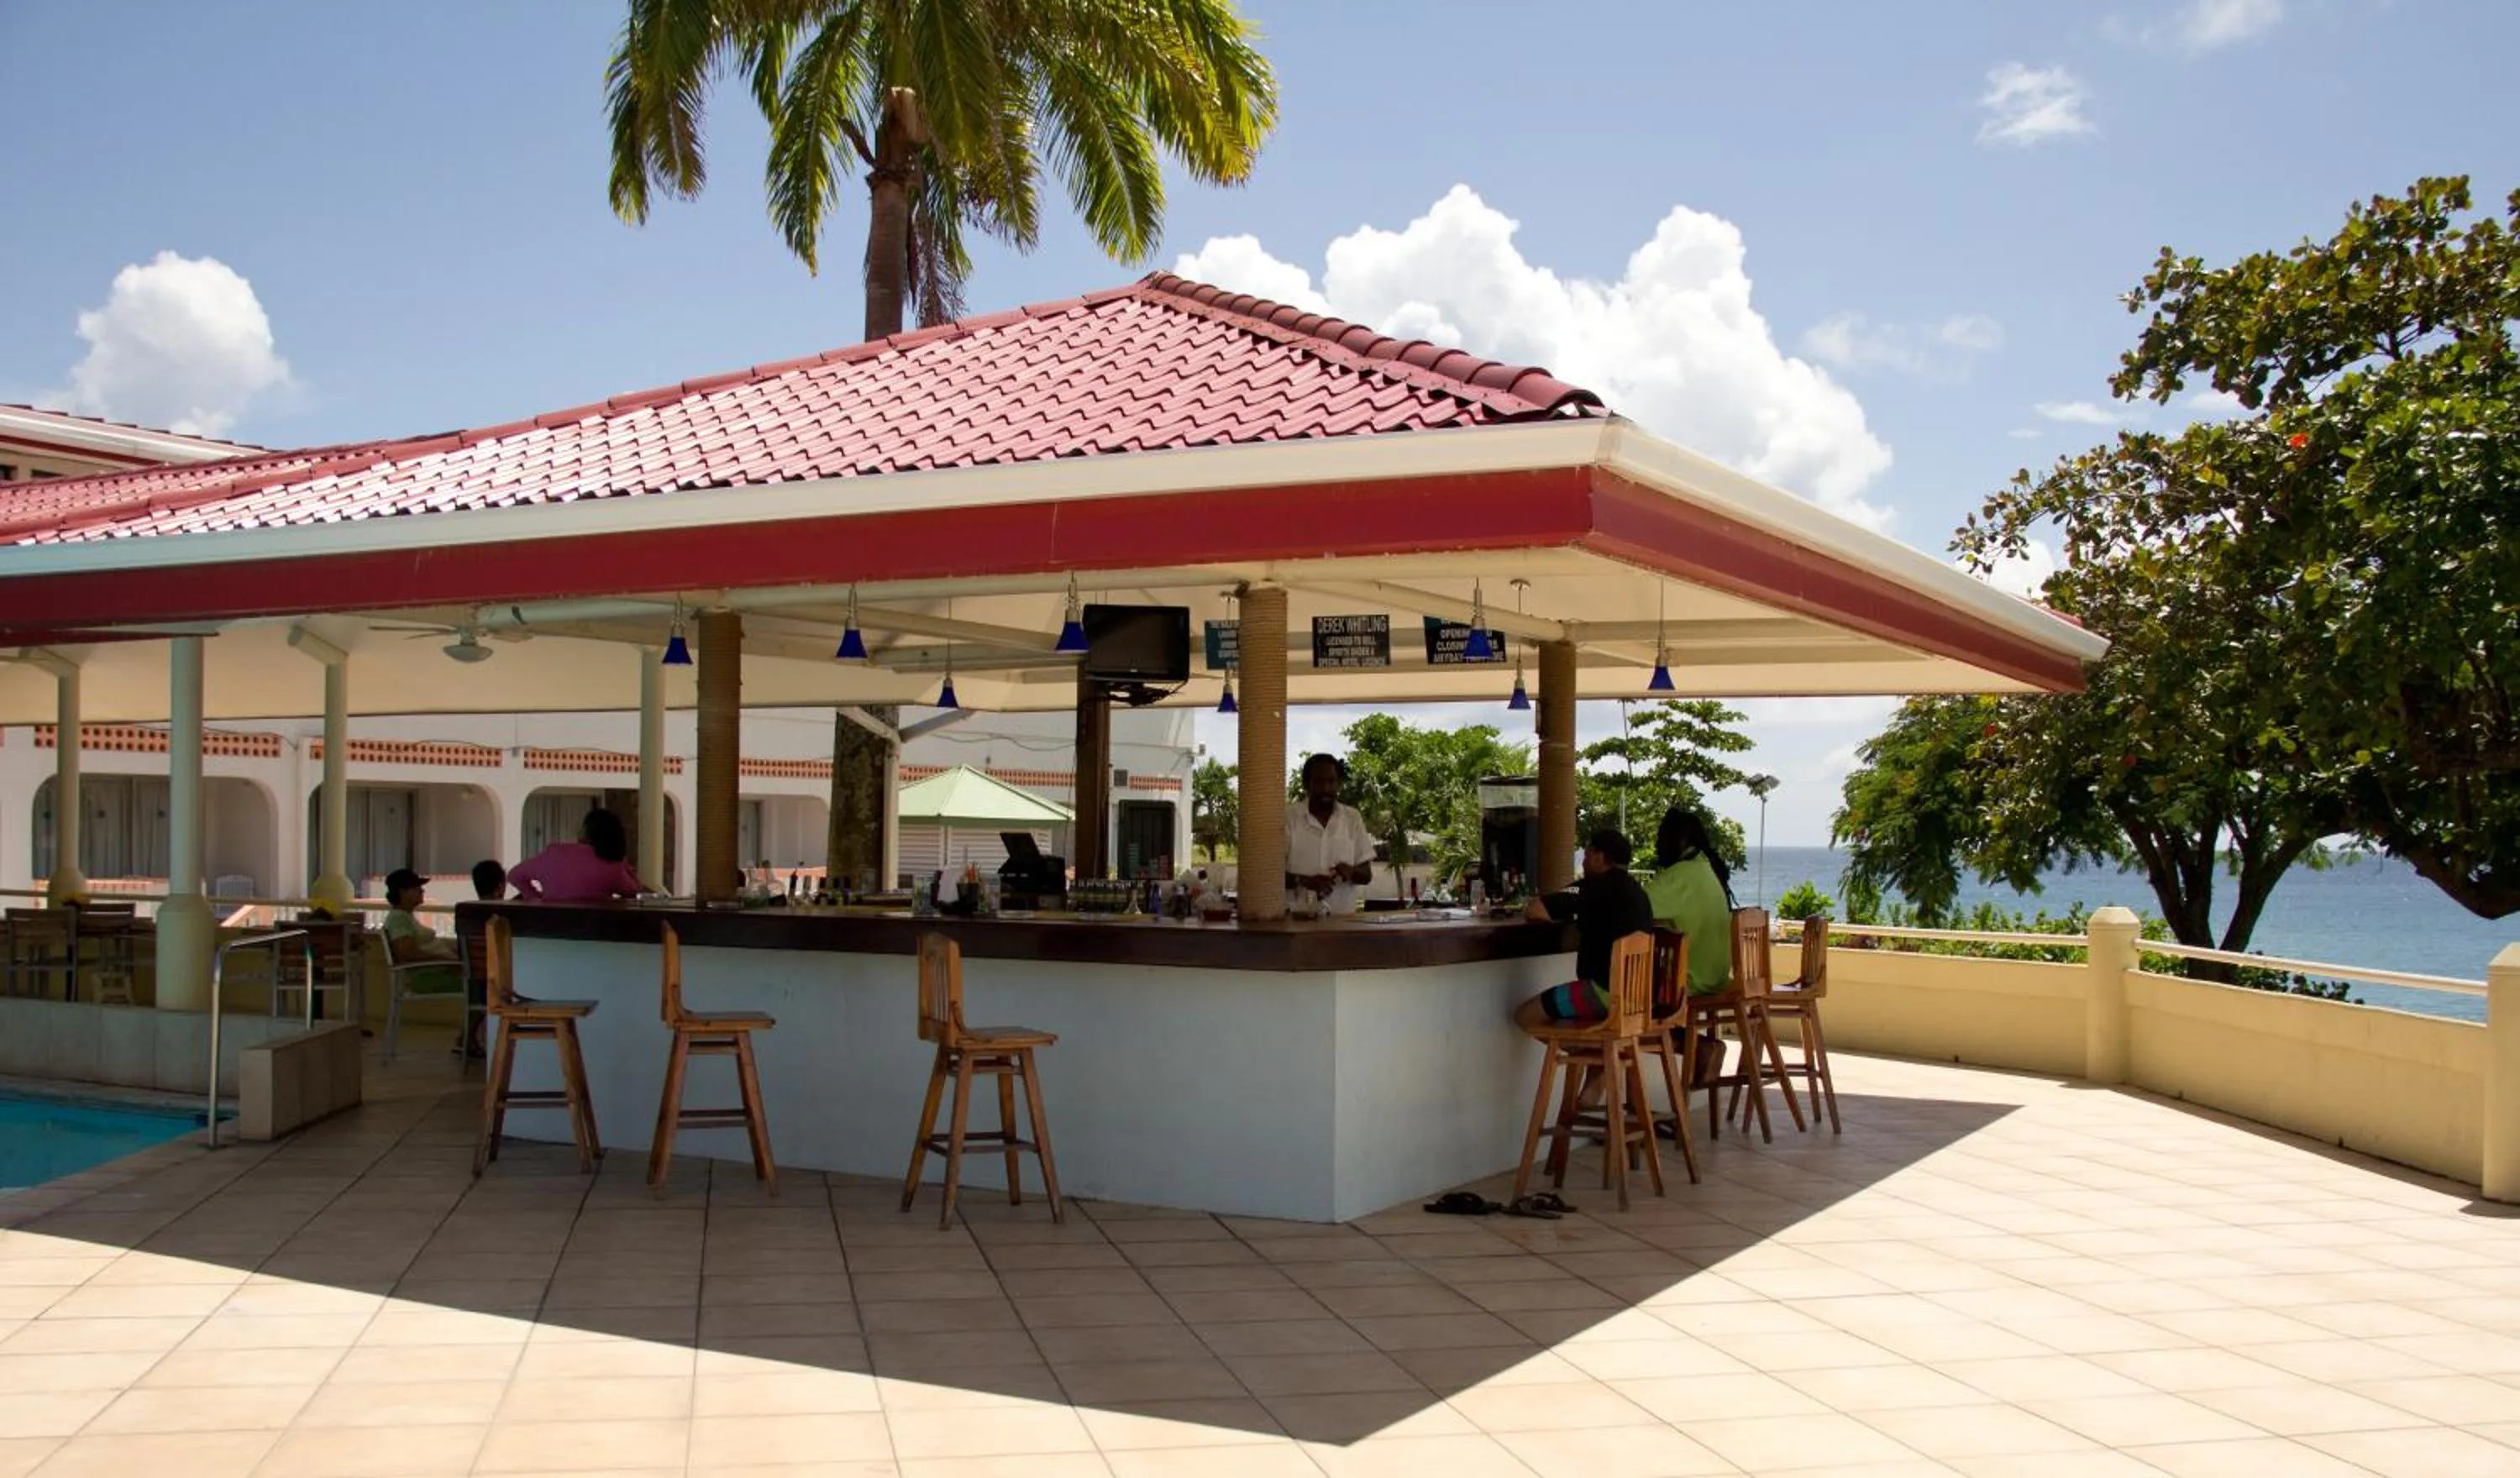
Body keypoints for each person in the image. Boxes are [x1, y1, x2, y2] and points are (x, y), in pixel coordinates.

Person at [1512, 827, 1656, 1029]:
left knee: (1526, 1016)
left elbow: (1536, 909)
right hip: (1637, 997)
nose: (1583, 862)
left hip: (1602, 992)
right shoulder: (1639, 893)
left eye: (1587, 856)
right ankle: (1595, 1057)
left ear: (1599, 857)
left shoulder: (1592, 886)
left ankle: (1590, 1055)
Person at [1642, 806, 1736, 999]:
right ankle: (1672, 1030)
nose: (1657, 845)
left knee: (1618, 988)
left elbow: (1633, 907)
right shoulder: (1707, 871)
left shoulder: (1679, 878)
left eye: (1661, 837)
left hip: (1689, 983)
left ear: (1682, 840)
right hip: (1716, 979)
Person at [381, 868, 475, 1052]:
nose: (422, 892)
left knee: (484, 984)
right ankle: (467, 1039)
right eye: (417, 888)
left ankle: (468, 1038)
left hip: (438, 971)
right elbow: (406, 953)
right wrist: (446, 961)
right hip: (425, 978)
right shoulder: (399, 919)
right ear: (402, 892)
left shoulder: (405, 917)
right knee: (484, 988)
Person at [1284, 753, 1376, 914]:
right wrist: (1303, 881)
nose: (1326, 788)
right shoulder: (1288, 818)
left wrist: (1351, 872)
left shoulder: (1352, 818)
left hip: (1343, 924)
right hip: (1296, 922)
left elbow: (1366, 875)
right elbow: (1269, 875)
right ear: (1307, 784)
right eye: (1319, 782)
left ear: (1339, 784)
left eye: (1331, 782)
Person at [506, 808, 648, 902]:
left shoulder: (554, 854)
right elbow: (634, 891)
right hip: (596, 938)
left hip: (550, 934)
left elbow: (514, 875)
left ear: (586, 831)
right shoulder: (613, 867)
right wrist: (626, 867)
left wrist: (538, 899)